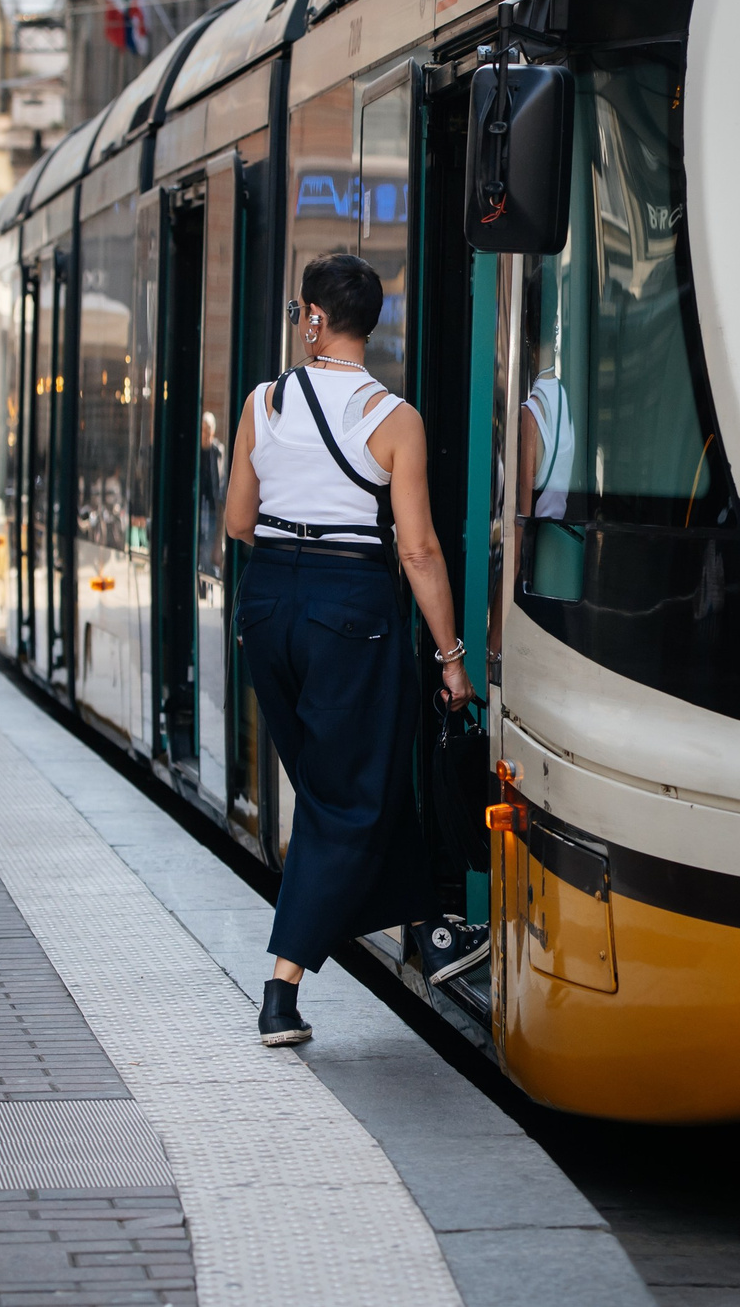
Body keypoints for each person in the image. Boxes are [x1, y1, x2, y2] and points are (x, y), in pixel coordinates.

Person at [223, 254, 479, 1049]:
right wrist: (451, 654)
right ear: (369, 322)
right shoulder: (394, 419)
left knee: (346, 785)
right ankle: (279, 988)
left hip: (267, 609)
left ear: (312, 316)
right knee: (346, 800)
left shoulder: (261, 402)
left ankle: (430, 928)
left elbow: (237, 522)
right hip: (350, 612)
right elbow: (420, 550)